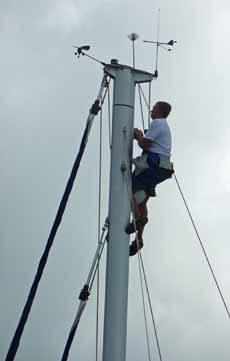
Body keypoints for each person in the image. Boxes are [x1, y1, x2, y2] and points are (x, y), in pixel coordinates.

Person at [126, 101, 174, 256]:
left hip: (153, 165)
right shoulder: (163, 126)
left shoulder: (158, 123)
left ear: (159, 111)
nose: (151, 110)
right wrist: (142, 137)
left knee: (129, 190)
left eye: (154, 108)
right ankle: (139, 238)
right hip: (162, 168)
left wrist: (138, 136)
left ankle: (138, 219)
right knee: (142, 200)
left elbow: (145, 144)